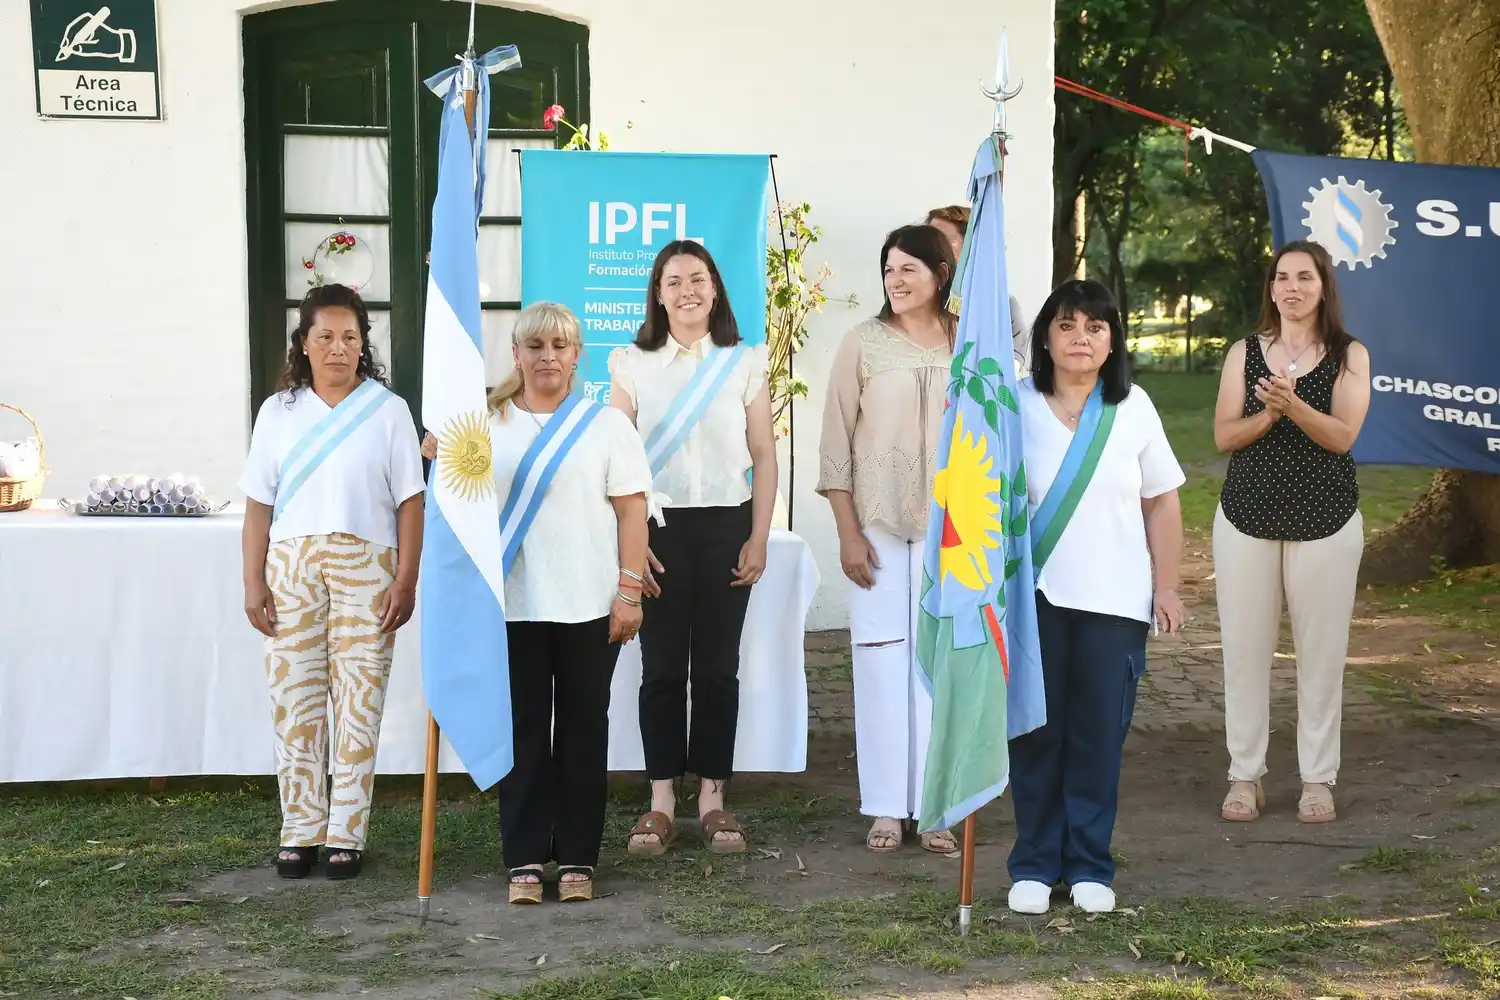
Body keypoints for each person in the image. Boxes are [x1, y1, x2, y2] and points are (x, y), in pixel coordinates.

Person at [422, 303, 651, 903]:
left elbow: (632, 513)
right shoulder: (484, 426)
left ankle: (578, 856)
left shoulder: (606, 427)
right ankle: (524, 855)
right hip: (510, 608)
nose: (547, 356)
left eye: (560, 345)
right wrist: (436, 452)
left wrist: (630, 592)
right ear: (517, 355)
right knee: (523, 730)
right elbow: (456, 502)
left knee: (582, 731)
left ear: (578, 357)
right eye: (535, 346)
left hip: (589, 606)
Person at [1007, 278, 1186, 915]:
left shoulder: (1133, 406)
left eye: (1096, 326)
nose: (1081, 337)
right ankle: (1033, 862)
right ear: (1045, 337)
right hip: (1036, 597)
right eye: (1067, 325)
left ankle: (1088, 866)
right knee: (1035, 732)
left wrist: (1167, 584)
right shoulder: (1013, 404)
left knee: (1097, 736)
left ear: (1113, 340)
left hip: (1115, 600)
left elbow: (1162, 501)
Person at [240, 282, 425, 881]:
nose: (338, 348)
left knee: (358, 699)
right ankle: (300, 828)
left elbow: (410, 503)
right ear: (304, 342)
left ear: (363, 343)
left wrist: (406, 578)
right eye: (325, 336)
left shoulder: (388, 409)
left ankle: (347, 829)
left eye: (350, 337)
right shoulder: (278, 411)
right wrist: (253, 582)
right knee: (295, 700)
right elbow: (257, 508)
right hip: (290, 567)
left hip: (368, 566)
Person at [608, 240, 778, 856]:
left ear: (715, 288)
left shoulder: (743, 360)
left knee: (715, 668)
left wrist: (757, 537)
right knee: (660, 669)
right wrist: (631, 547)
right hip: (657, 530)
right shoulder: (629, 362)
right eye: (674, 281)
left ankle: (712, 797)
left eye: (698, 279)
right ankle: (659, 801)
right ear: (658, 293)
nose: (687, 291)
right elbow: (617, 462)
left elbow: (763, 454)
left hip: (726, 528)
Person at [1212, 240, 1371, 826]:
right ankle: (1244, 775)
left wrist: (1294, 404)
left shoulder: (1350, 355)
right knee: (1245, 652)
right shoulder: (1244, 353)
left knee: (1321, 657)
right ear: (1272, 288)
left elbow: (1343, 436)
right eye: (1283, 277)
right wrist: (1271, 413)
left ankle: (1316, 778)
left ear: (1323, 287)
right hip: (1246, 518)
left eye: (1305, 277)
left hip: (1325, 521)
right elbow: (1225, 436)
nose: (1292, 287)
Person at [817, 224, 960, 856]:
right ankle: (883, 806)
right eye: (888, 270)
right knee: (881, 659)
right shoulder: (863, 343)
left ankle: (936, 806)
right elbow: (834, 444)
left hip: (955, 527)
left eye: (909, 269)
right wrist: (847, 532)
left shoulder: (968, 340)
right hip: (876, 522)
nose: (896, 281)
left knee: (940, 663)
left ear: (941, 273)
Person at [925, 204, 1027, 368]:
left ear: (971, 249)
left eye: (941, 240)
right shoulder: (914, 303)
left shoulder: (1002, 309)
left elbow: (1004, 378)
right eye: (926, 240)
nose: (928, 249)